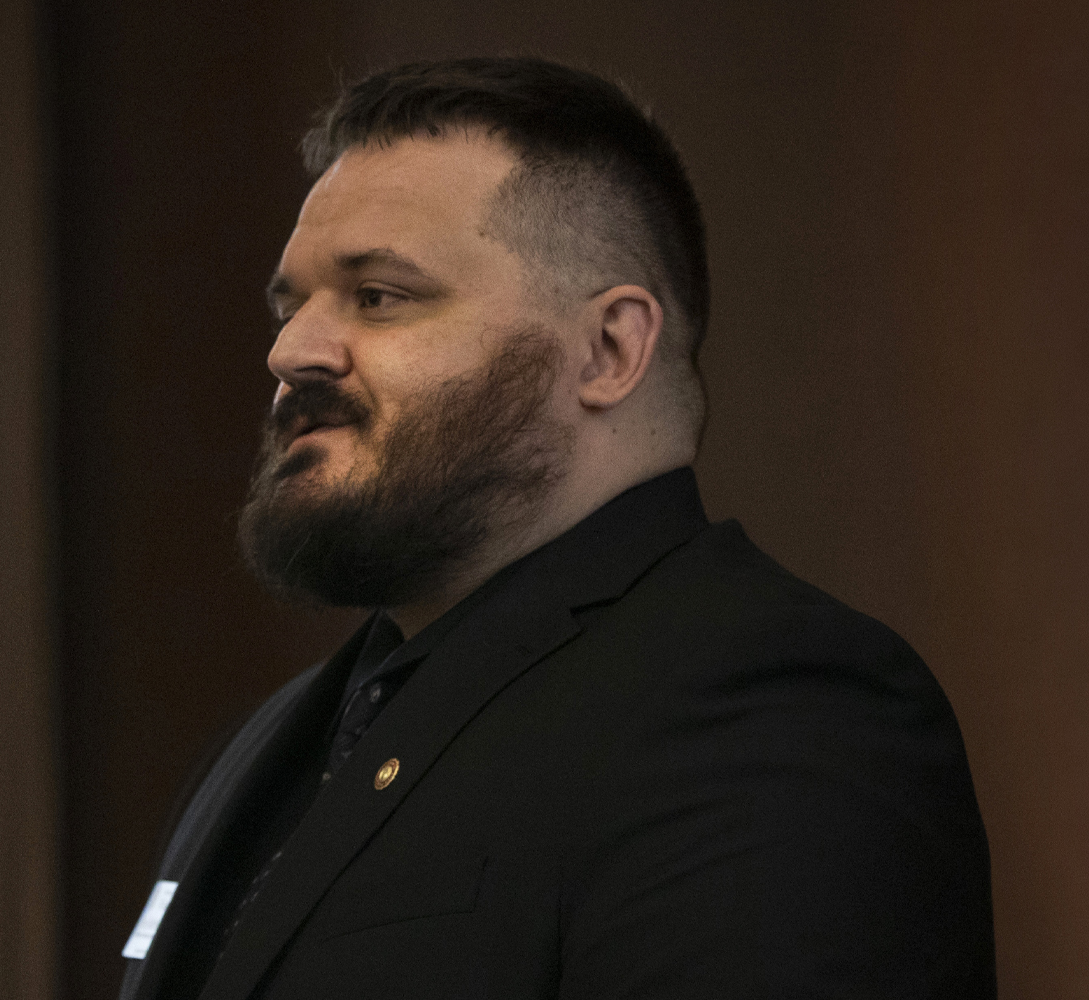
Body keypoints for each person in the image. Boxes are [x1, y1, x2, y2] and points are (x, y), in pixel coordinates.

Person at [117, 57, 994, 1000]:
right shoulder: (271, 740)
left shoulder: (771, 704)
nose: (290, 352)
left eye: (379, 296)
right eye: (292, 305)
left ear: (609, 349)